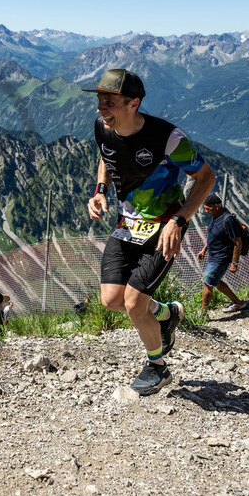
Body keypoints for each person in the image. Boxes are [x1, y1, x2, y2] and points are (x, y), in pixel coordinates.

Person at [85, 68, 215, 395]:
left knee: (132, 304)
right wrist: (100, 190)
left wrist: (181, 219)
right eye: (100, 100)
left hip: (163, 231)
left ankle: (157, 367)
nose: (101, 108)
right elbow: (107, 156)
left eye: (110, 101)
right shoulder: (104, 127)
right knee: (112, 299)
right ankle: (168, 315)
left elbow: (206, 178)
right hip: (126, 226)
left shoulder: (167, 138)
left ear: (134, 103)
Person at [196, 194, 245, 314]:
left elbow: (238, 242)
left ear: (216, 206)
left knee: (207, 283)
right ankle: (238, 303)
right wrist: (204, 249)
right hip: (213, 255)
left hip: (221, 258)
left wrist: (234, 263)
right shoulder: (216, 215)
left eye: (208, 208)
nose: (206, 211)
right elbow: (215, 235)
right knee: (216, 281)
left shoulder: (228, 220)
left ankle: (202, 314)